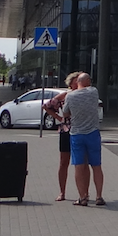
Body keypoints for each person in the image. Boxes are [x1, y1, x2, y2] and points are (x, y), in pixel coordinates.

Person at [63, 73, 104, 206]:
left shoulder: (70, 96)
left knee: (79, 166)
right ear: (86, 81)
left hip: (77, 134)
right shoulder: (93, 92)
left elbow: (65, 112)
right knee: (96, 166)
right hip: (93, 133)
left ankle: (83, 197)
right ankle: (98, 196)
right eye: (90, 80)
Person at [42, 73, 80, 201]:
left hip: (80, 130)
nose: (79, 82)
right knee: (64, 162)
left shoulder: (83, 94)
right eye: (77, 80)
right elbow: (46, 106)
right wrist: (60, 118)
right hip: (66, 131)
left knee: (80, 163)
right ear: (71, 83)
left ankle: (82, 193)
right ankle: (62, 192)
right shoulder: (65, 95)